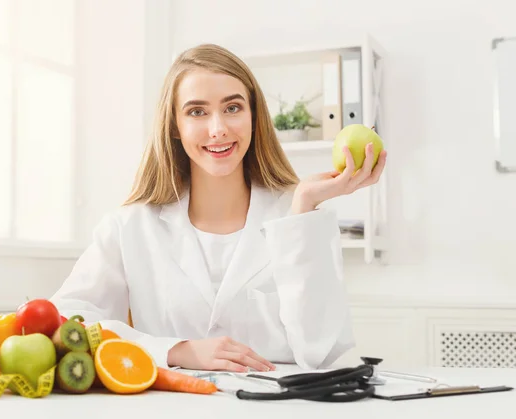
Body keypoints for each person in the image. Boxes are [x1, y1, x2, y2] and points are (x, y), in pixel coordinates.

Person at [50, 43, 387, 373]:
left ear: (254, 116)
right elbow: (65, 320)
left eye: (233, 108)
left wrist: (303, 210)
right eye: (197, 111)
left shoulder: (297, 215)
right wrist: (176, 350)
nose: (218, 129)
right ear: (174, 127)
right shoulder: (129, 227)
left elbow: (321, 353)